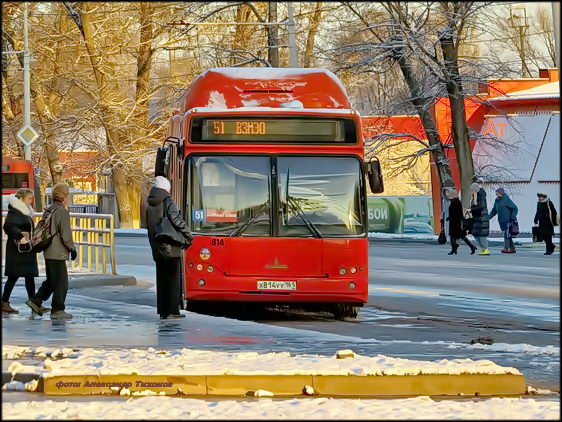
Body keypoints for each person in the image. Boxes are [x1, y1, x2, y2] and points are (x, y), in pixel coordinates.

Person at [26, 183, 77, 319]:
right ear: (64, 197)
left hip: (48, 250)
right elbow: (66, 235)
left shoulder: (49, 209)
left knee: (52, 281)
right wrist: (72, 248)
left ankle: (35, 300)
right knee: (62, 283)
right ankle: (58, 310)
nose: (68, 198)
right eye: (68, 195)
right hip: (58, 252)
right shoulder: (62, 212)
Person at [146, 176, 193, 320]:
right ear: (166, 188)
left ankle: (163, 311)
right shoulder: (167, 201)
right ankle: (173, 311)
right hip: (171, 245)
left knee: (162, 279)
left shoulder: (150, 203)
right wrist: (188, 234)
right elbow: (176, 219)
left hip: (157, 245)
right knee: (173, 279)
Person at [2, 189, 46, 314]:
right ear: (21, 199)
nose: (31, 201)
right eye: (29, 198)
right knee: (13, 276)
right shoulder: (15, 211)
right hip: (17, 250)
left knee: (29, 276)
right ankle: (4, 302)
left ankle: (33, 303)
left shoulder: (23, 212)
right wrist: (20, 237)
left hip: (25, 250)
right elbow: (9, 226)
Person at [446, 189, 476, 255]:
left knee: (459, 236)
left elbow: (458, 213)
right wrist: (449, 217)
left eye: (449, 194)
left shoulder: (457, 202)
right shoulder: (453, 201)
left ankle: (470, 247)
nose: (448, 195)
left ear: (453, 195)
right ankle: (454, 249)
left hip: (457, 222)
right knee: (454, 236)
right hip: (453, 222)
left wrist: (451, 218)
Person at [488, 187, 518, 254]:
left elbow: (515, 208)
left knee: (506, 234)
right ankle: (512, 249)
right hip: (502, 220)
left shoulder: (506, 200)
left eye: (498, 193)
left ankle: (506, 248)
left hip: (509, 220)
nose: (496, 195)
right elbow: (494, 210)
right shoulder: (497, 200)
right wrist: (488, 217)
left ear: (501, 193)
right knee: (508, 234)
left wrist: (513, 217)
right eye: (496, 193)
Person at [467, 182, 490, 256]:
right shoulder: (475, 198)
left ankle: (485, 249)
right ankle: (483, 248)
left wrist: (470, 210)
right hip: (476, 219)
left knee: (481, 235)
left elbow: (480, 208)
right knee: (476, 234)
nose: (472, 192)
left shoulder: (481, 197)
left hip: (481, 219)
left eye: (472, 190)